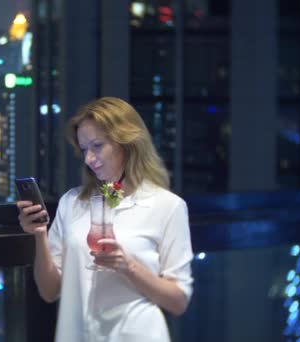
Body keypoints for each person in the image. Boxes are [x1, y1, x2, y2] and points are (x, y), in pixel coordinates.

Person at [17, 97, 194, 342]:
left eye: (97, 146)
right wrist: (39, 234)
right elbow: (48, 291)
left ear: (127, 143)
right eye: (84, 149)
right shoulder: (73, 203)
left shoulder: (167, 206)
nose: (89, 158)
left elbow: (178, 301)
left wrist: (128, 266)